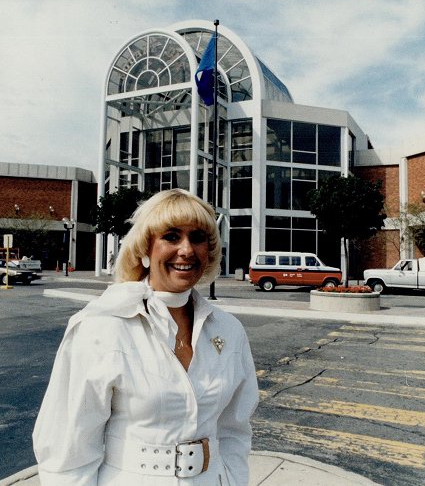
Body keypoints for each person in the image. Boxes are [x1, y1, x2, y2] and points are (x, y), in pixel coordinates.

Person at [32, 189, 259, 485]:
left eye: (198, 237)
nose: (187, 250)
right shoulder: (101, 328)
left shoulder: (229, 330)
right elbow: (67, 449)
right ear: (145, 248)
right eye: (171, 236)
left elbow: (235, 430)